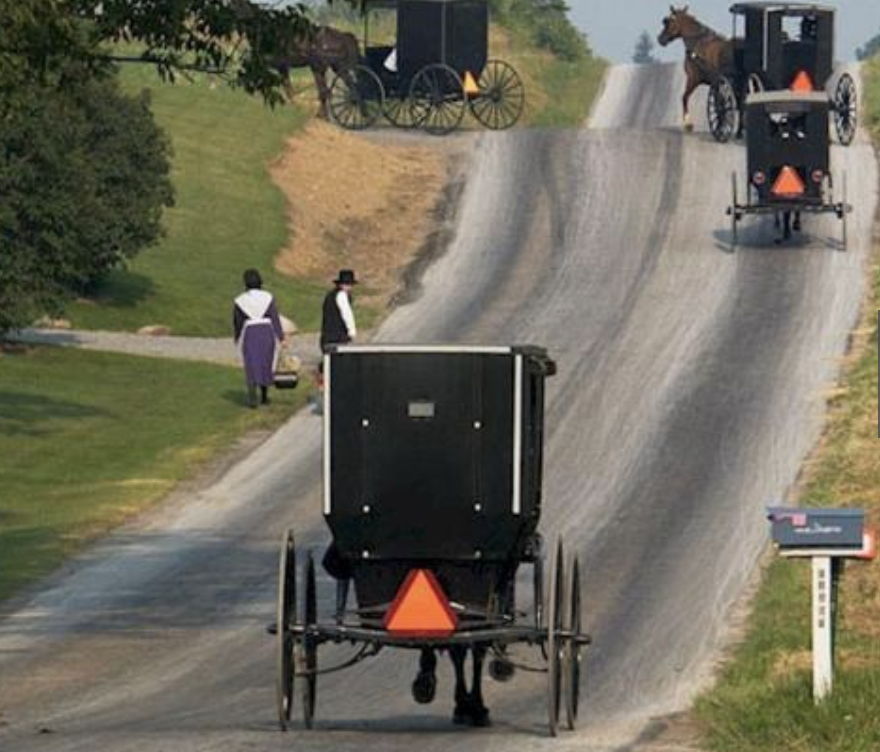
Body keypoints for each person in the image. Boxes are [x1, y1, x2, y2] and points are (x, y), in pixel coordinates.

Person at [233, 268, 283, 408]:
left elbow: (237, 321)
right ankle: (264, 396)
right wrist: (281, 337)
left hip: (251, 332)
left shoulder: (241, 300)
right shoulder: (268, 297)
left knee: (251, 364)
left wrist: (237, 336)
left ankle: (252, 398)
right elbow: (274, 317)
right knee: (265, 363)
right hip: (266, 331)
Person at [320, 269, 358, 353]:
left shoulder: (330, 295)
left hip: (327, 336)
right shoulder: (342, 295)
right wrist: (352, 332)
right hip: (338, 337)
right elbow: (347, 315)